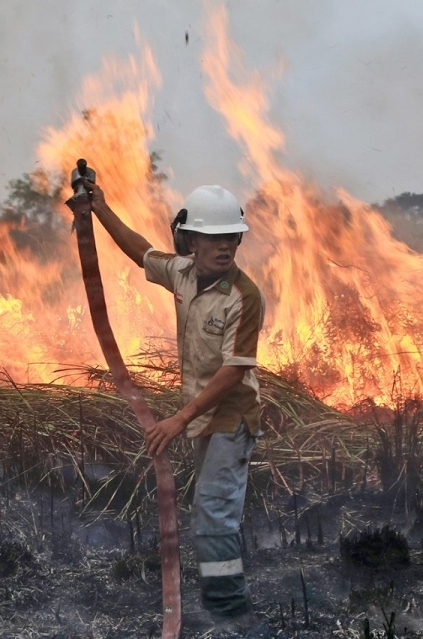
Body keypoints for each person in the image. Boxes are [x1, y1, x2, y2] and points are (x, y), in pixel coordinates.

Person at [84, 179, 264, 623]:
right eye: (213, 238)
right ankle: (220, 602)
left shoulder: (244, 296)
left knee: (214, 509)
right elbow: (141, 251)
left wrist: (179, 419)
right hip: (202, 415)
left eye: (231, 238)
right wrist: (100, 208)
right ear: (190, 241)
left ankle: (230, 614)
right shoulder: (182, 273)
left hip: (231, 415)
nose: (225, 247)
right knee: (210, 506)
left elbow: (234, 370)